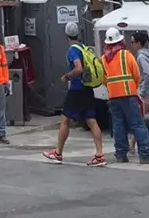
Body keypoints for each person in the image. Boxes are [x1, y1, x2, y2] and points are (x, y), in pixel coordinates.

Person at [42, 21, 106, 166]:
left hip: (77, 90)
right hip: (88, 89)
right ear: (79, 34)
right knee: (91, 120)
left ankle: (58, 153)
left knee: (65, 120)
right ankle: (100, 154)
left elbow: (79, 68)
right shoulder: (85, 48)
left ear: (66, 36)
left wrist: (67, 76)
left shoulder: (72, 50)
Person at [101, 27, 149, 164]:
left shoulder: (104, 58)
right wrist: (135, 87)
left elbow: (103, 78)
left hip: (113, 96)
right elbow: (137, 74)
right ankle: (144, 155)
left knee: (118, 126)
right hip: (128, 94)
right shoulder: (126, 55)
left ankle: (120, 155)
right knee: (137, 124)